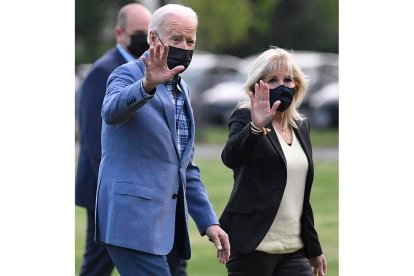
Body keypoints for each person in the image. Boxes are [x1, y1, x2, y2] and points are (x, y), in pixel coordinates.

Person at [95, 3, 230, 275]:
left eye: (190, 40)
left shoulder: (183, 88)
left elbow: (184, 167)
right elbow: (111, 111)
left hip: (165, 231)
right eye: (176, 39)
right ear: (154, 38)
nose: (185, 46)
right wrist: (147, 85)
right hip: (130, 224)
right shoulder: (127, 74)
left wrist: (209, 222)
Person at [76, 3, 189, 275]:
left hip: (154, 198)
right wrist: (111, 192)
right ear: (120, 33)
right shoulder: (105, 70)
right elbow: (96, 137)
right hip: (112, 193)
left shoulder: (171, 77)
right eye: (138, 31)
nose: (144, 36)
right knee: (97, 266)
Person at [219, 47, 328, 276]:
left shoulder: (301, 126)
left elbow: (300, 196)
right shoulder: (244, 118)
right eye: (272, 80)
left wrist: (313, 247)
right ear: (257, 86)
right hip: (252, 246)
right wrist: (256, 127)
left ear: (296, 84)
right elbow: (231, 157)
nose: (282, 85)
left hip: (294, 249)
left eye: (288, 79)